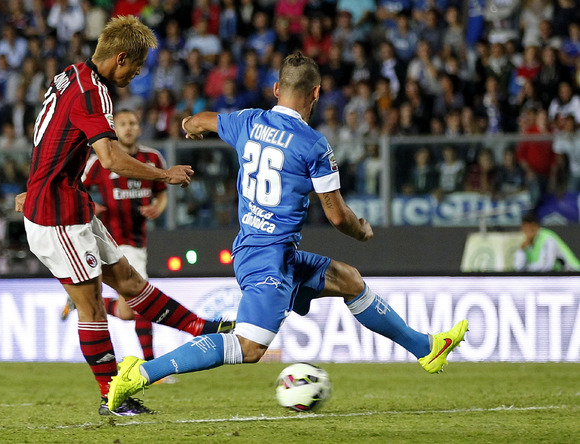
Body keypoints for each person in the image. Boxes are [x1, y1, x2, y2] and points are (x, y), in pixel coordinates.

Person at [106, 53, 469, 411]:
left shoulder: (247, 121)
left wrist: (188, 126)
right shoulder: (313, 145)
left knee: (349, 280)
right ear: (316, 93)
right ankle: (140, 374)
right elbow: (338, 217)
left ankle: (426, 348)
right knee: (248, 348)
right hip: (267, 259)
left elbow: (200, 121)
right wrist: (362, 231)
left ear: (277, 88)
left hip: (272, 252)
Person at [14, 16, 233, 417]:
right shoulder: (93, 94)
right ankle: (111, 396)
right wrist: (164, 174)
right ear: (120, 58)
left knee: (131, 281)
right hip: (56, 214)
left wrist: (38, 179)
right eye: (137, 65)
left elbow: (48, 131)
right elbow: (111, 159)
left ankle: (201, 329)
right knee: (94, 307)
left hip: (68, 201)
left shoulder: (71, 75)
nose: (138, 73)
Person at [60, 108, 168, 366]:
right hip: (111, 241)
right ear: (114, 130)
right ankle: (153, 366)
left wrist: (158, 207)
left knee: (127, 311)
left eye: (132, 123)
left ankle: (78, 304)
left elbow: (161, 191)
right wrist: (90, 205)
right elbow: (73, 186)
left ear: (139, 128)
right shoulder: (100, 161)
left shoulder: (152, 158)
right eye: (123, 124)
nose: (128, 128)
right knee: (143, 301)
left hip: (138, 241)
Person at [514, 211, 580, 272]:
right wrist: (521, 250)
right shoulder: (526, 244)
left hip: (573, 274)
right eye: (524, 229)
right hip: (553, 276)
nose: (526, 232)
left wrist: (527, 269)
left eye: (528, 228)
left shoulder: (548, 238)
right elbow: (518, 267)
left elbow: (547, 266)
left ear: (535, 226)